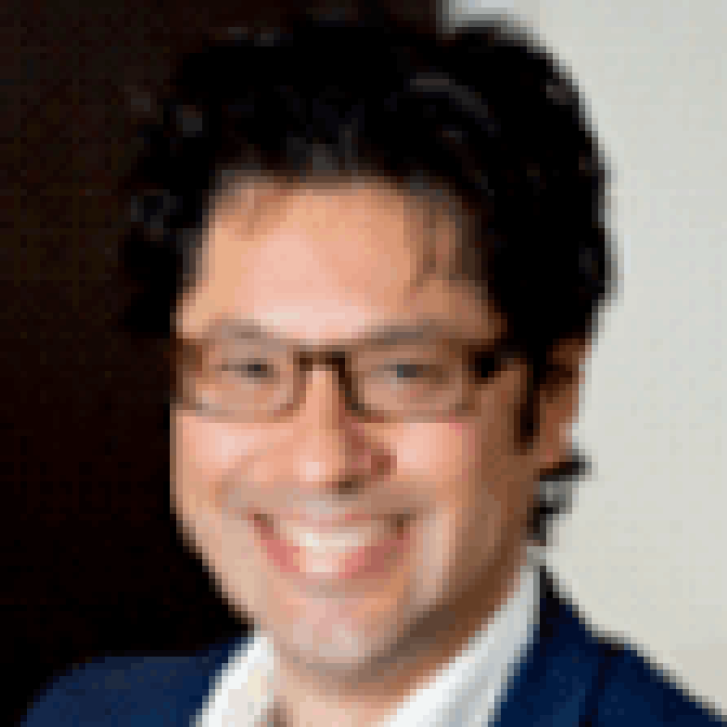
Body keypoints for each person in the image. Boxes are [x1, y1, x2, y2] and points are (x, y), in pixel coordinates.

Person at [22, 9, 724, 727]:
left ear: (550, 400)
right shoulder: (83, 715)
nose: (320, 462)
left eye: (403, 373)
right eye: (251, 368)